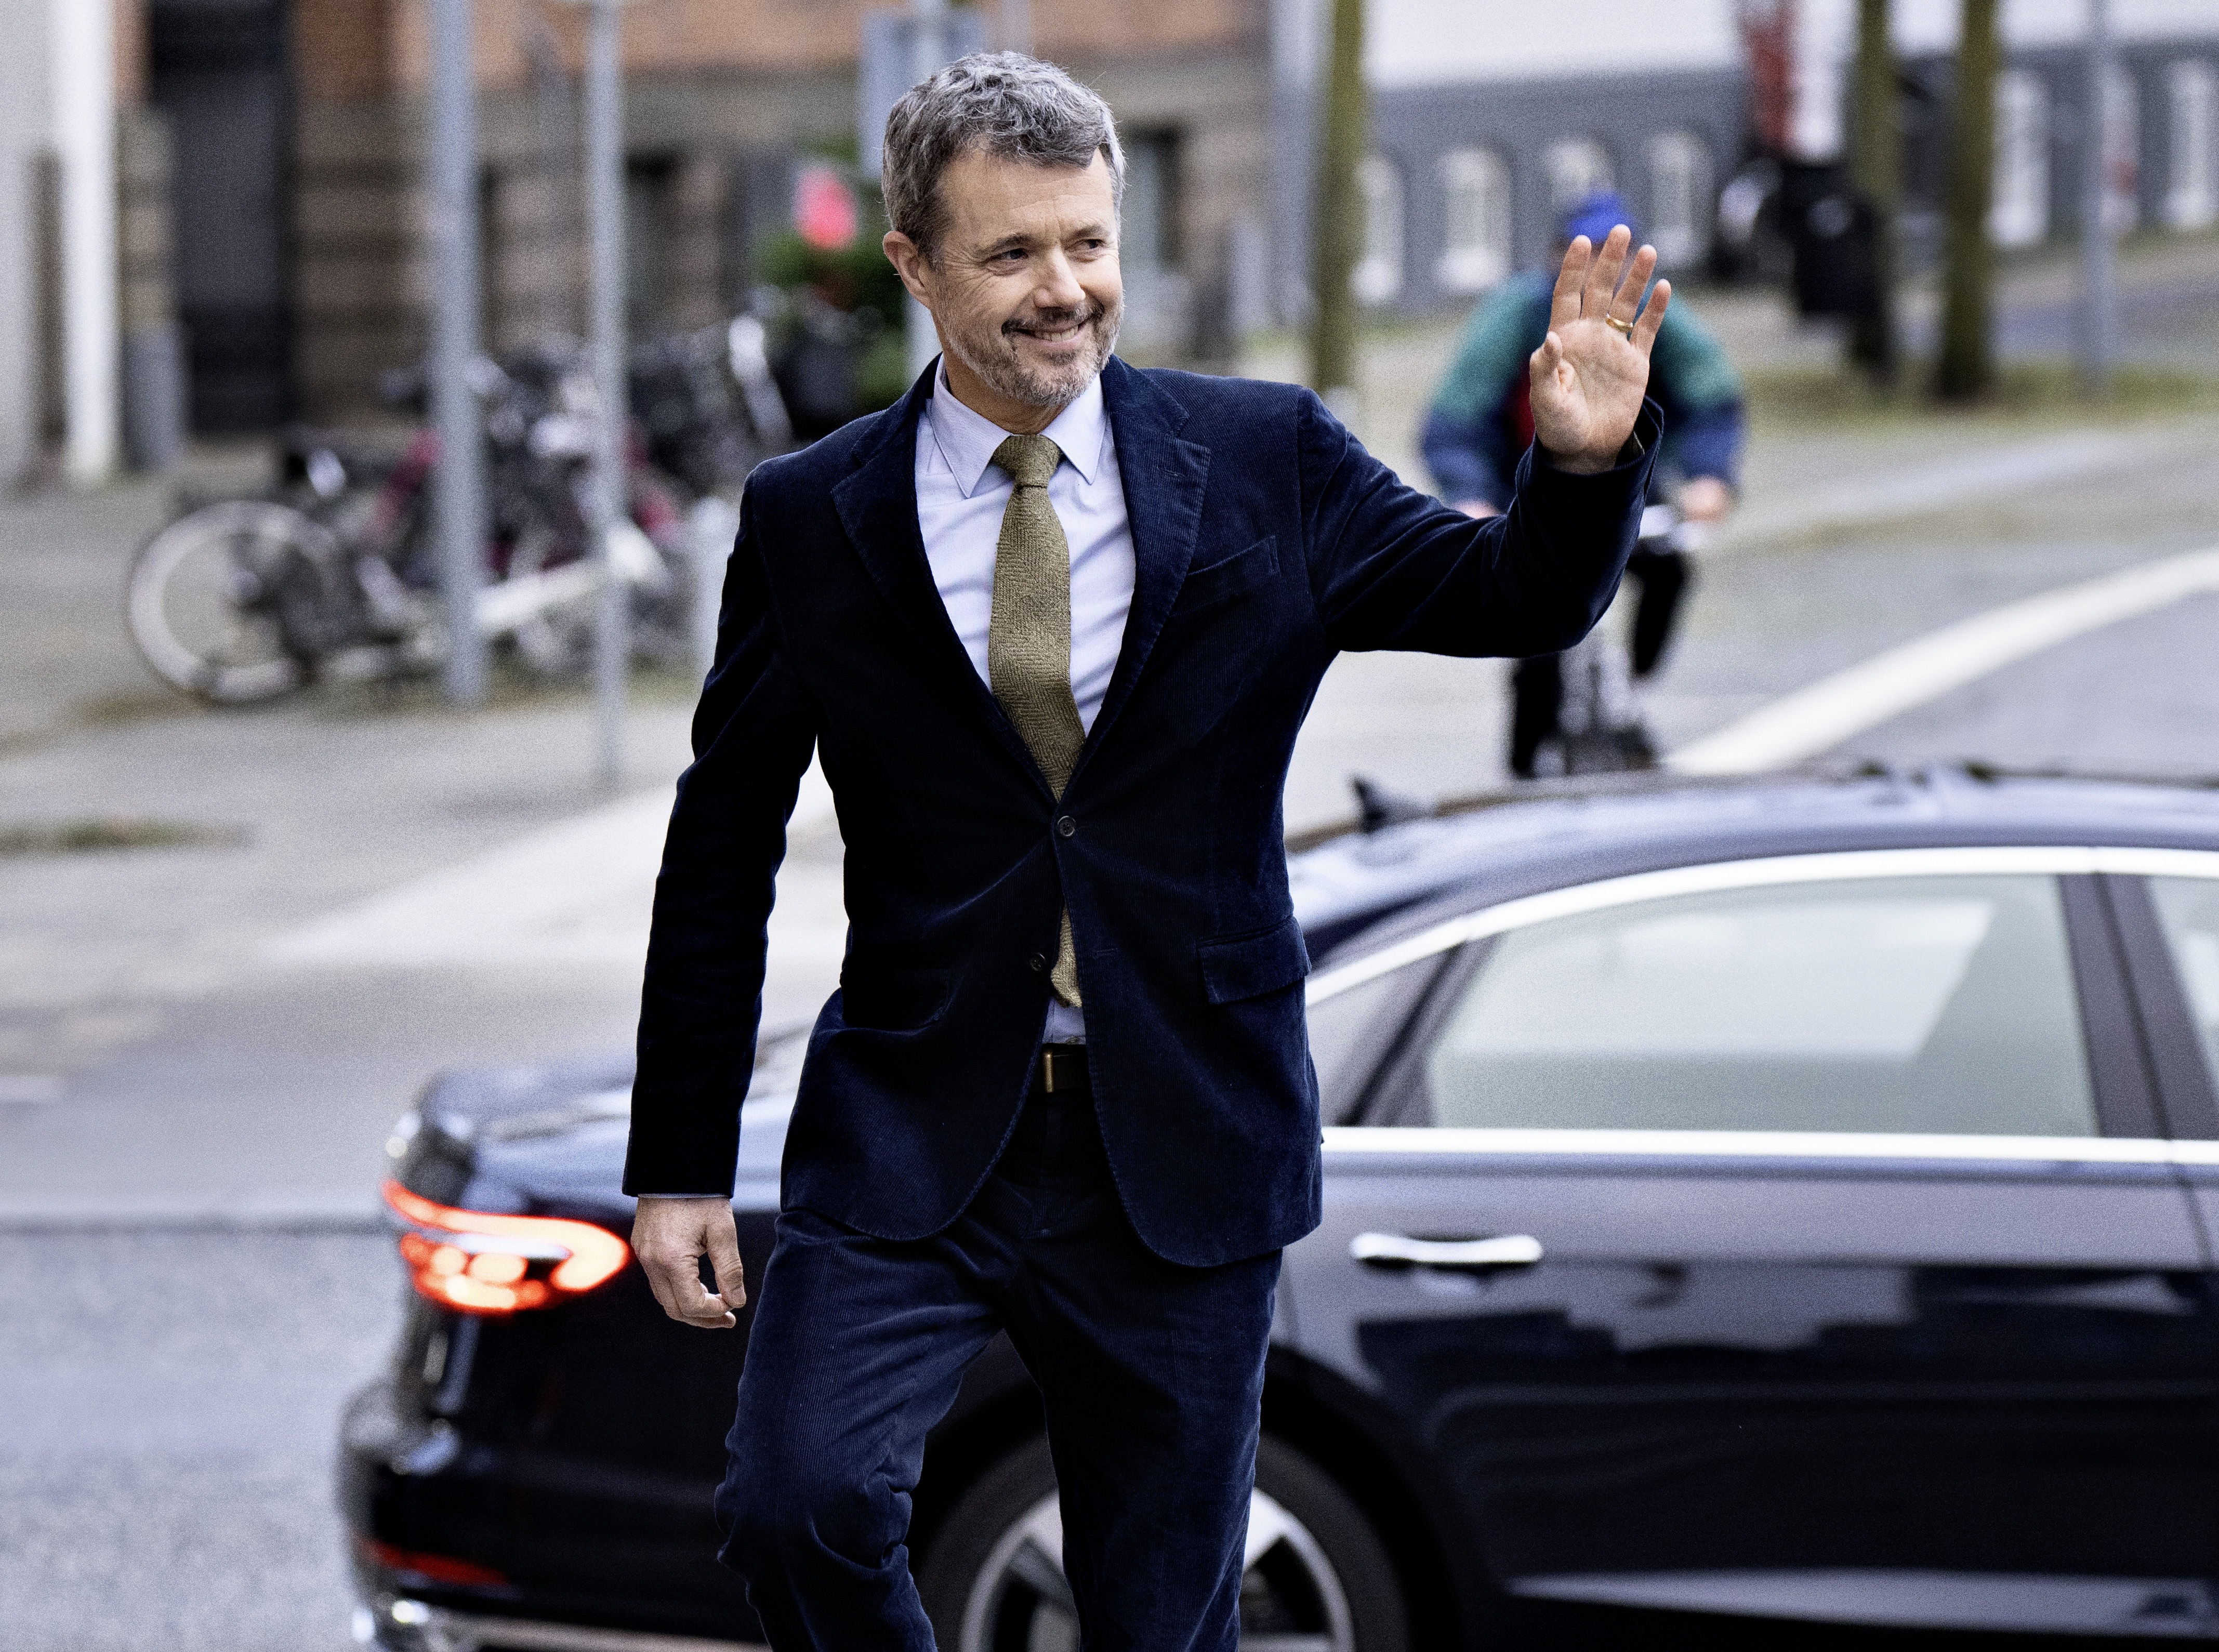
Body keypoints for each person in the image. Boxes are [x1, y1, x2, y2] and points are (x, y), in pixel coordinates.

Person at [625, 53, 1670, 1652]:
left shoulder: (1264, 457)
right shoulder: (811, 517)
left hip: (1181, 1138)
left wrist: (1579, 464)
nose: (1064, 289)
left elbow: (1506, 598)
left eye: (1088, 243)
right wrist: (681, 1160)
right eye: (1011, 252)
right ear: (913, 263)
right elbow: (720, 850)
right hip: (912, 1133)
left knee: (1161, 1619)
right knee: (796, 1503)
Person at [1422, 188, 1746, 776]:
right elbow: (1453, 422)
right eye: (1587, 252)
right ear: (1558, 256)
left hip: (1625, 498)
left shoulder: (1655, 318)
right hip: (1525, 503)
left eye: (1615, 254)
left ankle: (1634, 686)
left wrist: (1708, 475)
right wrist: (1470, 497)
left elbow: (1712, 399)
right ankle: (1522, 775)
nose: (1603, 269)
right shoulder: (1514, 317)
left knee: (1669, 571)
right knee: (1537, 634)